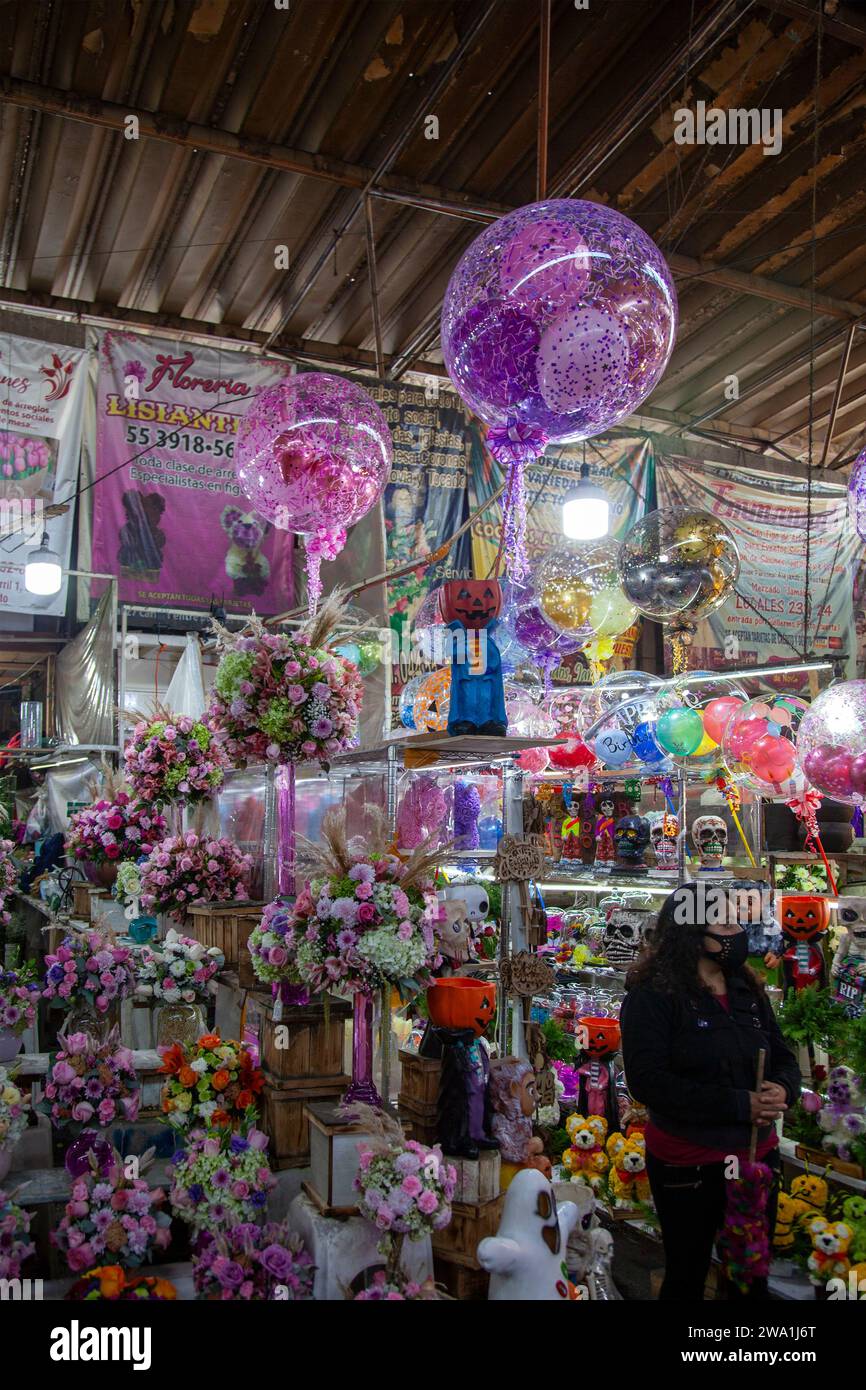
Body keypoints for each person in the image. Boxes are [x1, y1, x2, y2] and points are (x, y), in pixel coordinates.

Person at [620, 881, 801, 1300]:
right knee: (688, 1273)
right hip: (689, 1166)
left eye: (737, 921)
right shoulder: (654, 996)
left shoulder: (747, 988)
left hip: (756, 1160)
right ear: (691, 931)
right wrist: (741, 1104)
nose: (737, 931)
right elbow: (649, 1082)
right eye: (724, 922)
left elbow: (782, 1054)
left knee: (749, 1276)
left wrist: (784, 1090)